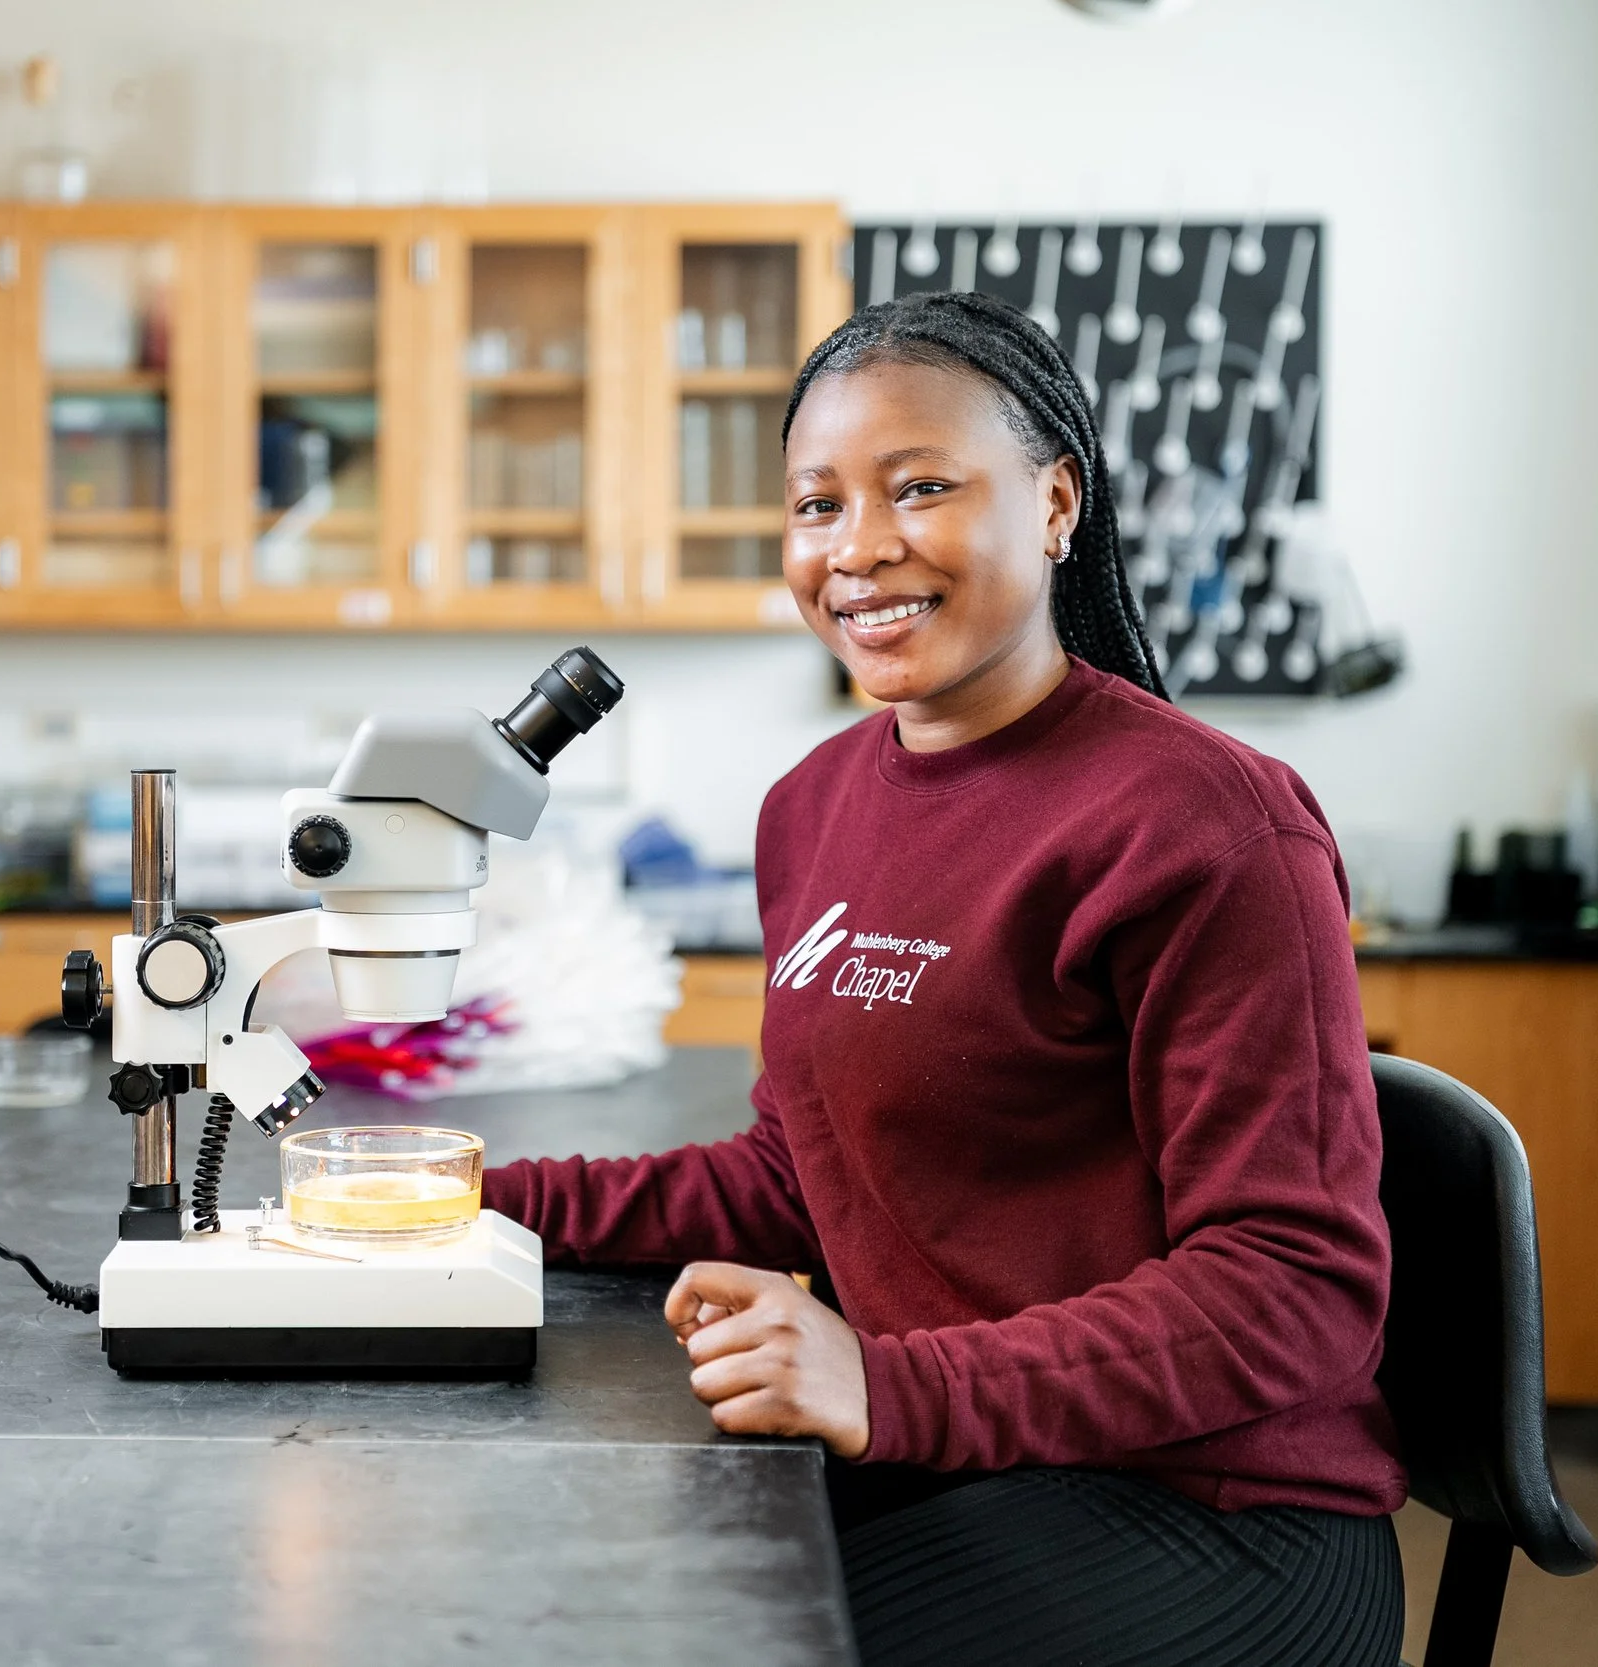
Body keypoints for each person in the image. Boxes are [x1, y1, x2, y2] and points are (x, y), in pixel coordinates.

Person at [483, 291, 1405, 1666]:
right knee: (558, 1593)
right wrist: (478, 1200)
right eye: (816, 505)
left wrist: (888, 1379)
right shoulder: (814, 803)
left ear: (1052, 503)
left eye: (920, 488)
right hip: (960, 1448)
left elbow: (1294, 1284)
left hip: (1214, 1511)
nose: (858, 550)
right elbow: (810, 1172)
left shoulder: (1208, 823)